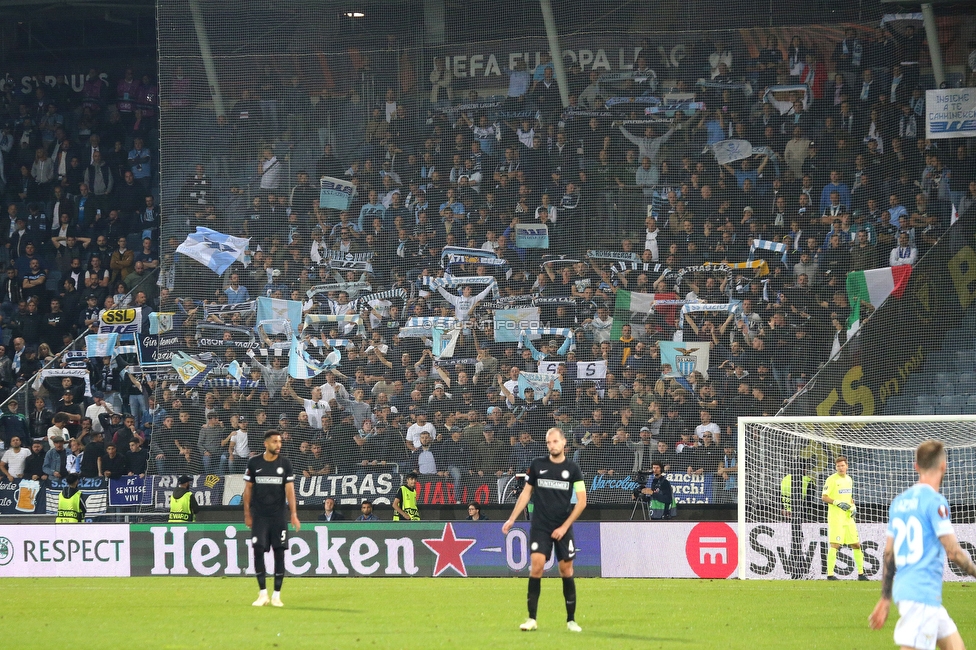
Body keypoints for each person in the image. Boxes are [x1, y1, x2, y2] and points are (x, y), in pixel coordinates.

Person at [870, 440, 976, 648]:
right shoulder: (935, 502)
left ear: (915, 466)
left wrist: (885, 597)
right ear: (943, 466)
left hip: (910, 592)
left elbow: (889, 554)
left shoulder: (899, 502)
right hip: (922, 595)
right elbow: (953, 552)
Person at [502, 427, 586, 633]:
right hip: (540, 525)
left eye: (556, 441)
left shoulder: (573, 469)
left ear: (564, 443)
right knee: (537, 566)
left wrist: (564, 527)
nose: (552, 445)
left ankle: (571, 620)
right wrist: (512, 518)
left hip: (563, 526)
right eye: (549, 442)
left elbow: (582, 502)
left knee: (566, 570)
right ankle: (531, 618)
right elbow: (526, 494)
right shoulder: (537, 465)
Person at [243, 430, 301, 608]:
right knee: (258, 550)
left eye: (280, 441)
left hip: (278, 516)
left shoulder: (285, 463)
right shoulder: (254, 463)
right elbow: (248, 490)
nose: (279, 445)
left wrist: (293, 514)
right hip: (259, 515)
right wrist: (247, 513)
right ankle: (262, 594)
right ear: (266, 444)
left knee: (279, 552)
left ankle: (276, 595)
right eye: (275, 441)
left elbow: (290, 490)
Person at [822, 455, 867, 580]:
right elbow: (824, 497)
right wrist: (837, 502)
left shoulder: (849, 479)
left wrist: (853, 507)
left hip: (848, 518)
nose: (840, 468)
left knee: (856, 545)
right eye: (838, 466)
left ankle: (861, 574)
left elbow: (849, 498)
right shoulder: (831, 480)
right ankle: (830, 575)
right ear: (835, 467)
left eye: (842, 465)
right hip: (836, 518)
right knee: (835, 545)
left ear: (847, 466)